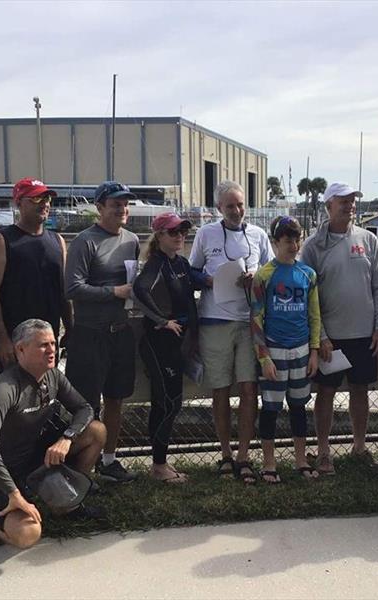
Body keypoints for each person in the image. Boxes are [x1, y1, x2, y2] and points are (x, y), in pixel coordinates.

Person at [0, 319, 106, 548]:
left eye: (53, 343)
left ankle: (65, 503)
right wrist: (13, 493)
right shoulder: (5, 388)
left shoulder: (53, 376)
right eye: (43, 345)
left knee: (96, 432)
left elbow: (85, 408)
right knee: (28, 534)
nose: (52, 350)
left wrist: (67, 438)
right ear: (20, 349)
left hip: (30, 462)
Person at [300, 182, 378, 475]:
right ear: (329, 206)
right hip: (331, 339)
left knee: (360, 390)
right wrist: (321, 336)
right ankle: (324, 452)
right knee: (326, 393)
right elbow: (308, 295)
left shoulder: (368, 239)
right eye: (343, 201)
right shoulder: (313, 245)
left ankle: (359, 447)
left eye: (352, 201)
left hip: (364, 334)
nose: (350, 206)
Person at [189, 180, 273, 484]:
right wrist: (209, 280)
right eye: (229, 206)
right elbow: (191, 271)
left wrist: (257, 276)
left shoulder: (259, 235)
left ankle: (244, 454)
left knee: (250, 391)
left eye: (240, 204)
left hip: (249, 323)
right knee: (220, 390)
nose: (236, 210)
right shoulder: (205, 233)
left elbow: (271, 270)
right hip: (214, 320)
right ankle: (225, 453)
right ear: (218, 209)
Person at [65, 181, 141, 483]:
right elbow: (72, 288)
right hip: (89, 334)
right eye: (115, 204)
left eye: (125, 204)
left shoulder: (132, 240)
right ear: (100, 208)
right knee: (84, 404)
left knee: (115, 399)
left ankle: (108, 461)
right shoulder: (85, 241)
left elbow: (135, 284)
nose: (122, 209)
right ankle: (79, 466)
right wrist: (114, 292)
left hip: (121, 332)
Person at [250, 216, 321, 483]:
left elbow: (314, 315)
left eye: (297, 239)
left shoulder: (308, 274)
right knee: (270, 408)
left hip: (301, 350)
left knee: (299, 407)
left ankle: (301, 459)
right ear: (275, 242)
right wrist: (264, 356)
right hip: (274, 350)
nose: (293, 245)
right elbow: (256, 318)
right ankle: (269, 462)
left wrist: (313, 350)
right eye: (288, 240)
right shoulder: (264, 275)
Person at [132, 213, 198, 484]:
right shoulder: (156, 263)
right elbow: (139, 290)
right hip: (159, 343)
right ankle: (158, 466)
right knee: (167, 403)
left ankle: (161, 463)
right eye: (173, 232)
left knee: (173, 402)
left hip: (178, 343)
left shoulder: (180, 262)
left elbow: (200, 279)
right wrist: (162, 321)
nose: (180, 236)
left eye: (183, 232)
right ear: (159, 236)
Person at [0, 178, 71, 373]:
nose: (45, 203)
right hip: (16, 343)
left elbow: (64, 291)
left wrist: (70, 328)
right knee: (15, 398)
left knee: (45, 395)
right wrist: (2, 339)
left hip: (48, 340)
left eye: (47, 198)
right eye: (37, 198)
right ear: (19, 202)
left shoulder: (58, 241)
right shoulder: (1, 241)